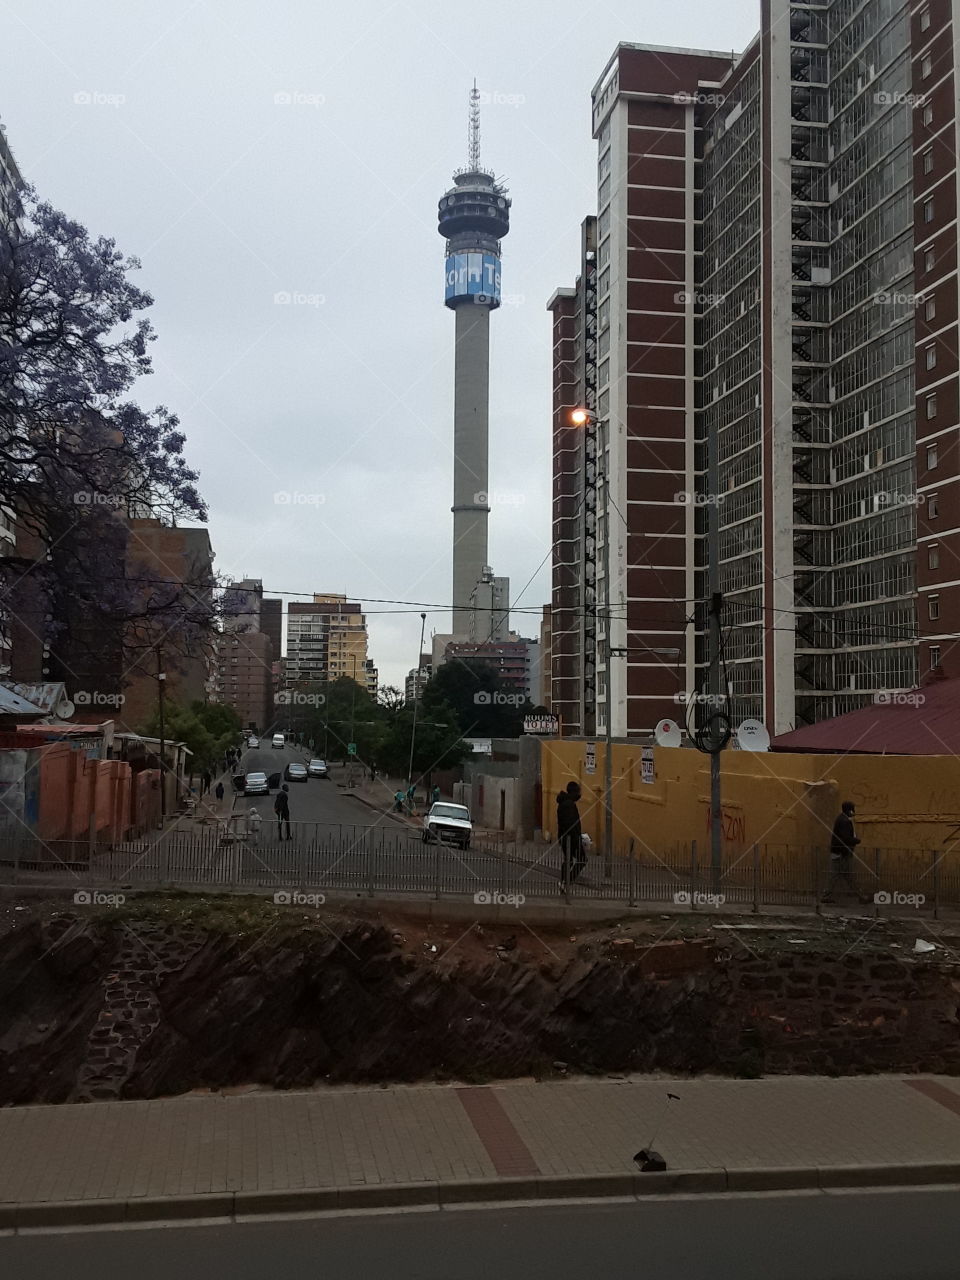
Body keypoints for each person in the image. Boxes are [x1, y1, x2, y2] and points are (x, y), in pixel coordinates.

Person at [823, 801, 865, 902]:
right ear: (850, 810)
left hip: (839, 852)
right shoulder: (844, 821)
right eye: (853, 809)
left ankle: (826, 896)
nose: (854, 811)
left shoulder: (841, 819)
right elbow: (845, 838)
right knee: (848, 875)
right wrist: (856, 840)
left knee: (837, 875)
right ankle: (861, 897)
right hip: (842, 853)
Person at [557, 781, 585, 890]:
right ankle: (567, 882)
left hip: (566, 837)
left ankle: (564, 882)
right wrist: (578, 837)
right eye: (578, 792)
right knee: (581, 859)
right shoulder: (569, 805)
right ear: (574, 792)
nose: (579, 794)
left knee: (568, 860)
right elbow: (570, 823)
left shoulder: (565, 803)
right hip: (570, 838)